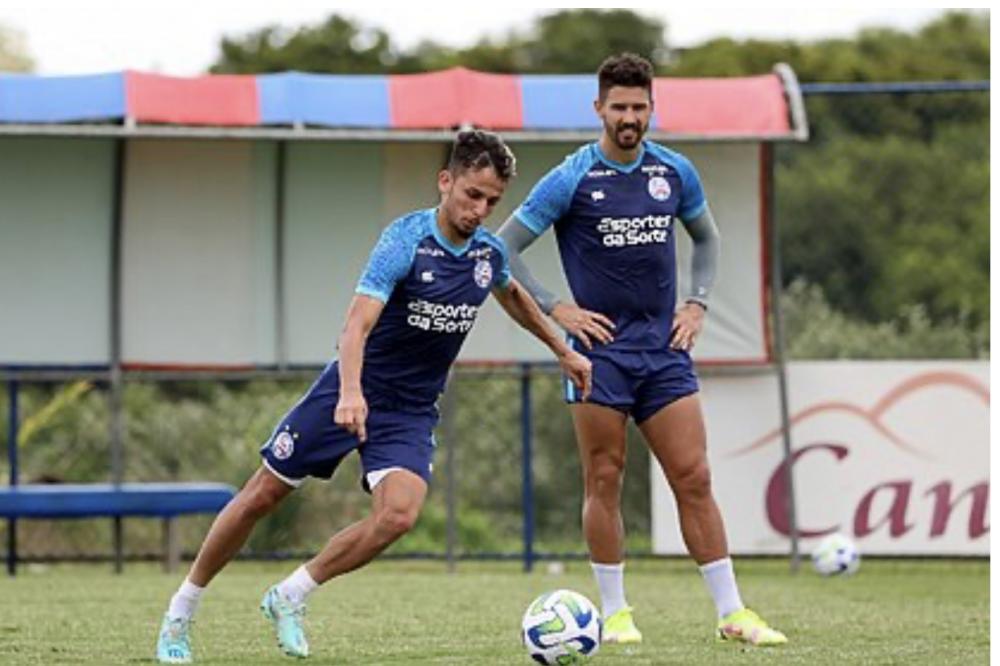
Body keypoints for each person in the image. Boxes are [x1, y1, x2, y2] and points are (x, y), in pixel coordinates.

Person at [155, 129, 592, 663]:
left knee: (399, 516)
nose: (479, 209)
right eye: (471, 195)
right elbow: (355, 327)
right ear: (445, 180)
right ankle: (180, 613)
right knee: (260, 497)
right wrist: (351, 393)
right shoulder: (405, 241)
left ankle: (290, 595)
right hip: (351, 388)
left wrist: (561, 349)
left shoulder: (486, 254)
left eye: (491, 201)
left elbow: (513, 294)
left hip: (409, 410)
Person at [497, 53, 787, 647]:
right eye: (618, 107)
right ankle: (615, 613)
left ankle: (733, 612)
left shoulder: (674, 172)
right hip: (597, 356)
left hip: (664, 352)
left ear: (652, 108)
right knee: (604, 477)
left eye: (638, 106)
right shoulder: (571, 177)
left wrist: (698, 302)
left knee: (694, 475)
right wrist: (556, 306)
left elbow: (706, 236)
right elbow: (505, 247)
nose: (628, 117)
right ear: (599, 109)